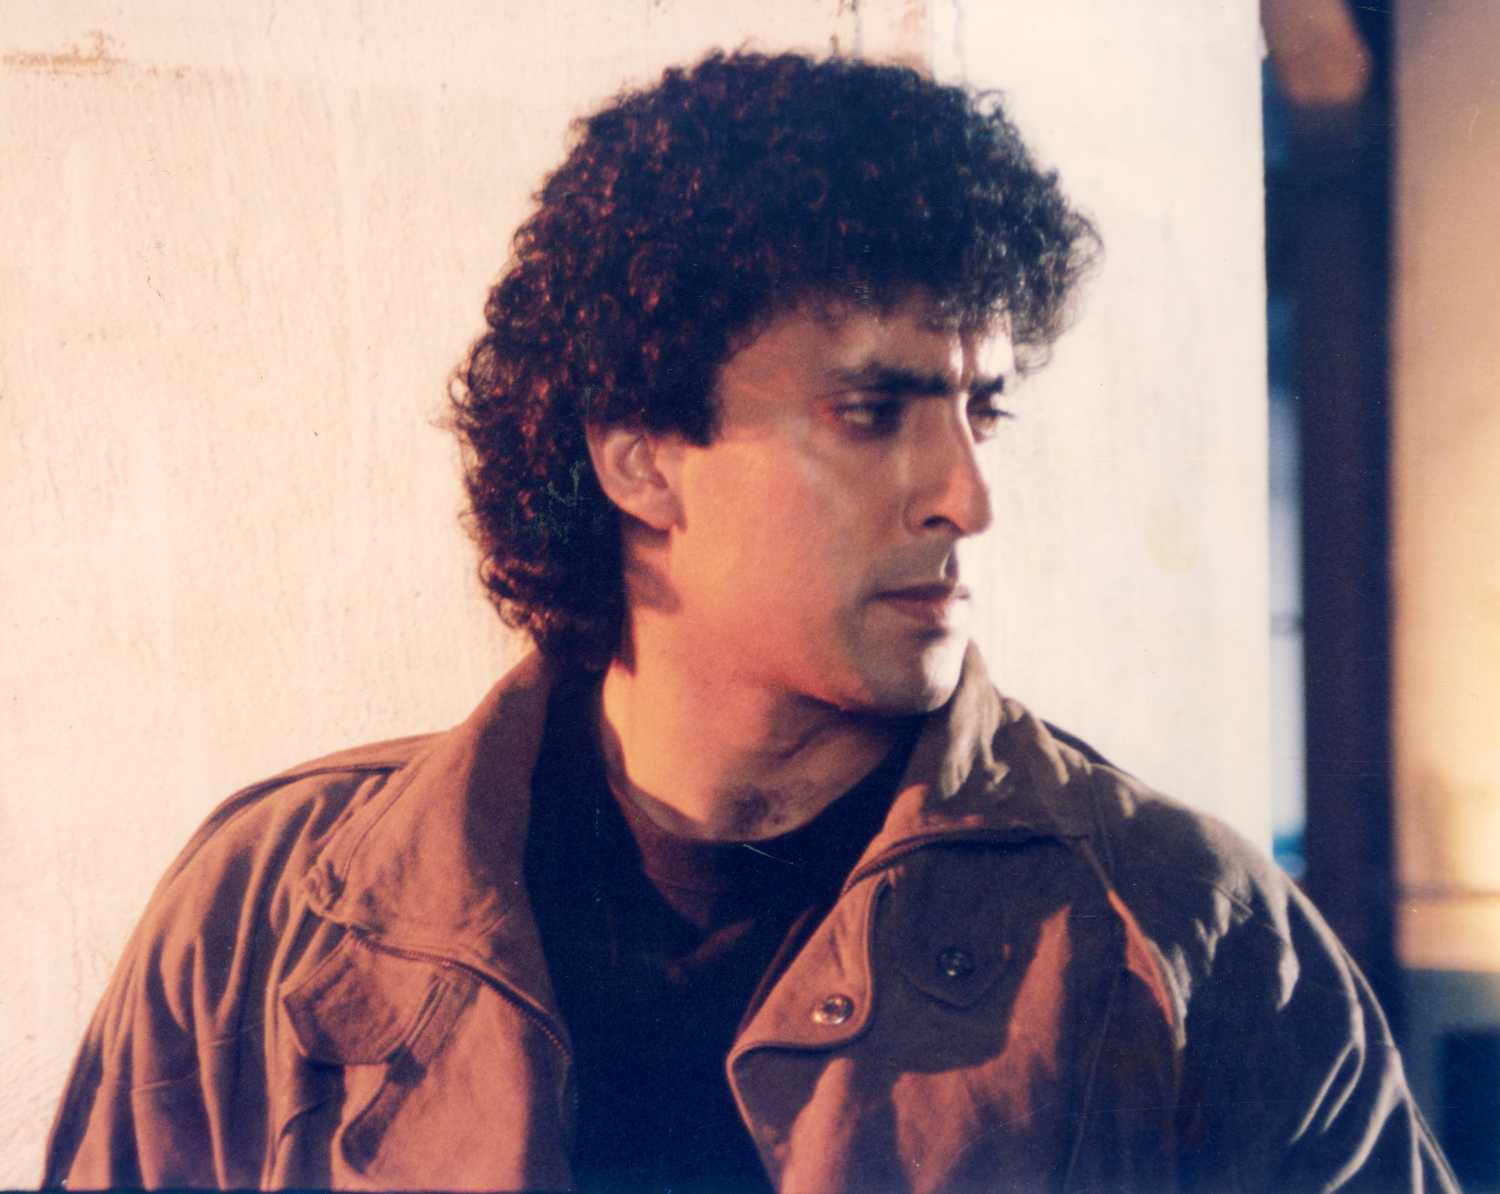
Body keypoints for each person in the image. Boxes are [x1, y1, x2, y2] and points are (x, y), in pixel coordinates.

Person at [43, 50, 1456, 1192]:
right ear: (638, 456)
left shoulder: (1188, 938)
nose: (966, 495)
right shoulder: (269, 918)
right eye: (872, 411)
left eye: (982, 409)